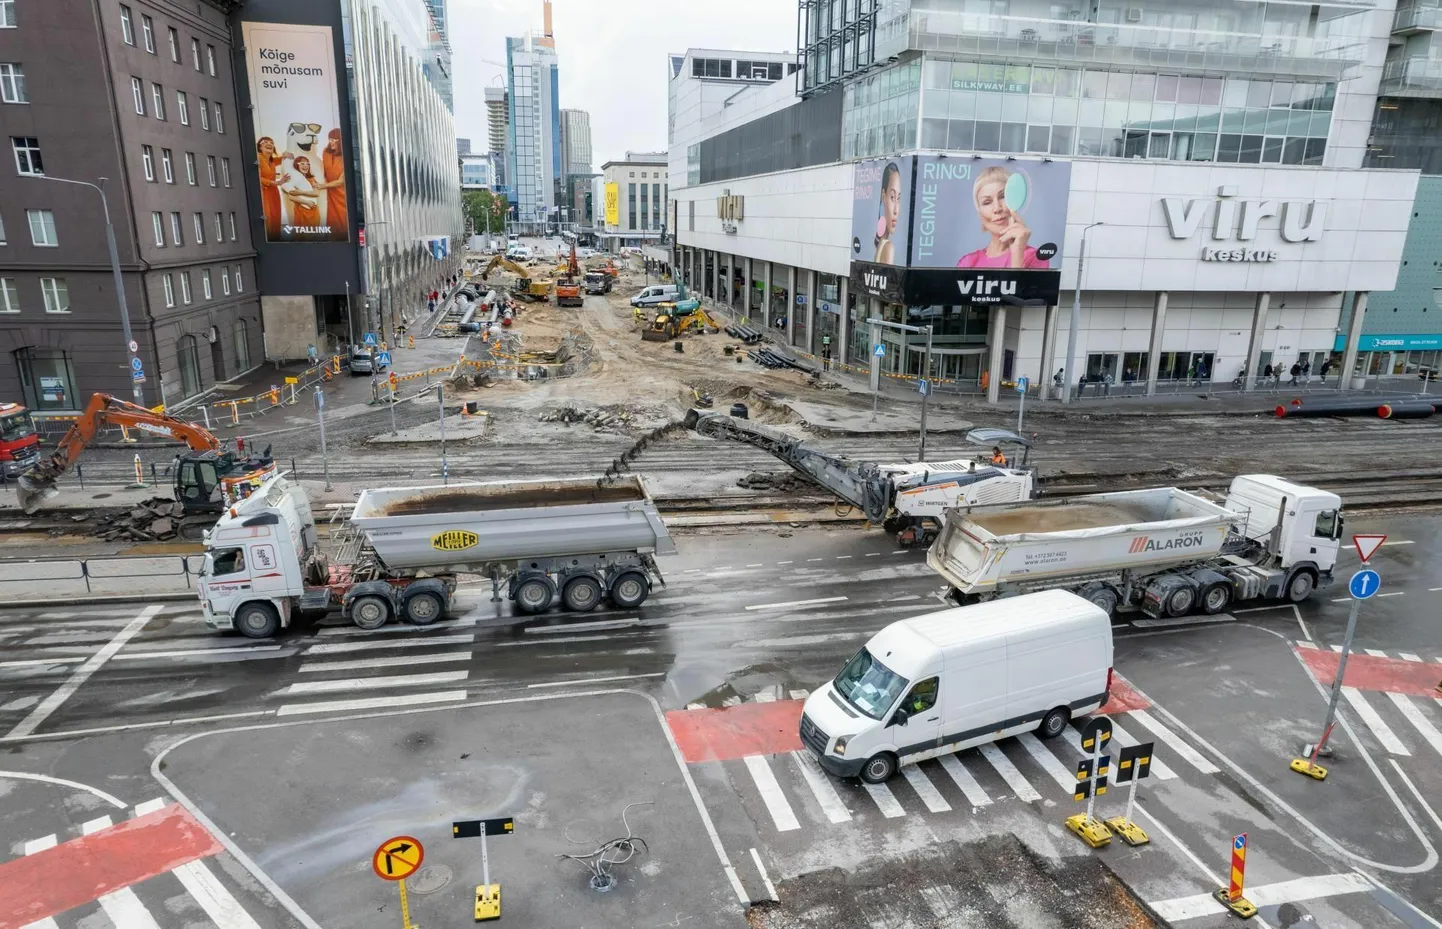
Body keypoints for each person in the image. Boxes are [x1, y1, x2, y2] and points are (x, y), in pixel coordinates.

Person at [956, 166, 1050, 270]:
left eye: (1003, 196)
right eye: (987, 202)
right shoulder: (968, 263)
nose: (997, 208)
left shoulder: (1035, 257)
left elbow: (1022, 286)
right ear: (980, 215)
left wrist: (1017, 255)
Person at [256, 137, 292, 241]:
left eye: (272, 142)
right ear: (259, 147)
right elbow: (256, 177)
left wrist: (284, 156)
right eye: (265, 142)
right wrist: (274, 182)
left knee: (276, 219)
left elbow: (276, 160)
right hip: (264, 192)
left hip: (273, 193)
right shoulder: (258, 158)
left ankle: (275, 241)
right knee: (268, 220)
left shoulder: (270, 160)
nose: (269, 143)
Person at [318, 129, 348, 241]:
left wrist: (322, 186)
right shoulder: (325, 152)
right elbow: (322, 171)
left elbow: (341, 181)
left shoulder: (345, 156)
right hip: (329, 193)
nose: (332, 141)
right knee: (331, 220)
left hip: (342, 194)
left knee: (343, 220)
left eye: (335, 139)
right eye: (330, 139)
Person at [281, 156, 321, 230]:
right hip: (303, 209)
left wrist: (300, 192)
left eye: (307, 164)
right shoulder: (294, 178)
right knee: (303, 234)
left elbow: (317, 193)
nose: (306, 166)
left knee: (315, 232)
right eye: (302, 163)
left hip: (314, 209)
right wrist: (306, 202)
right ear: (297, 165)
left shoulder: (311, 178)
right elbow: (291, 196)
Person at [874, 162, 902, 264]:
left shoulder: (880, 244)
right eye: (892, 197)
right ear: (883, 196)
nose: (896, 210)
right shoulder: (888, 247)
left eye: (898, 199)